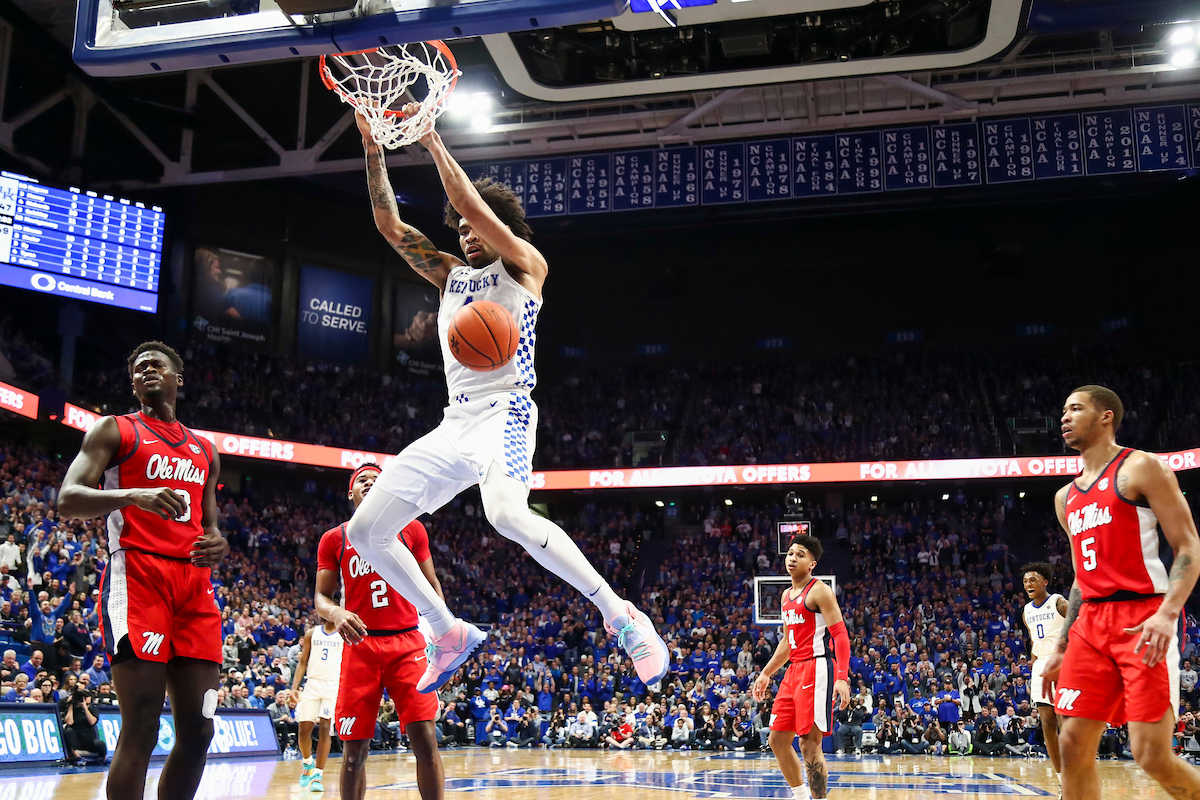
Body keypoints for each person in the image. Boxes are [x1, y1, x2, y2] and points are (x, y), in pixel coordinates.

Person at [347, 107, 668, 694]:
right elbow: (390, 226)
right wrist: (373, 148)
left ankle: (621, 615)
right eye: (460, 231)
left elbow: (470, 206)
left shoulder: (525, 266)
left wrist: (432, 140)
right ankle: (445, 630)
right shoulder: (449, 276)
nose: (466, 235)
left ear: (503, 227)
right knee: (365, 532)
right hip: (455, 420)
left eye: (474, 228)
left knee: (505, 515)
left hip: (507, 411)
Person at [58, 342, 228, 800]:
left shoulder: (205, 450)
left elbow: (209, 524)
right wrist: (133, 495)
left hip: (195, 585)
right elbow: (67, 498)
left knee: (200, 730)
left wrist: (219, 541)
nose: (147, 370)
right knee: (143, 725)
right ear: (133, 384)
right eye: (139, 368)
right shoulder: (114, 429)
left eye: (157, 365)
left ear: (178, 379)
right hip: (138, 577)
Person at [1042, 385, 1200, 800]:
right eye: (1063, 410)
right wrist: (1061, 647)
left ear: (1106, 416)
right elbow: (1080, 579)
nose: (1064, 417)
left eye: (1075, 408)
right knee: (1071, 743)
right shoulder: (1065, 498)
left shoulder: (1141, 467)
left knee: (1150, 754)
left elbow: (1188, 545)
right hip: (1090, 623)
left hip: (1143, 616)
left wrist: (1168, 613)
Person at [315, 464, 442, 800]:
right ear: (350, 492)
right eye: (362, 480)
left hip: (408, 642)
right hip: (361, 647)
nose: (370, 483)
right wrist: (336, 612)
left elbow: (432, 584)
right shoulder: (334, 538)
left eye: (377, 479)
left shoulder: (412, 529)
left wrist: (443, 634)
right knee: (353, 753)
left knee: (425, 740)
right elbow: (321, 597)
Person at [753, 535, 851, 800]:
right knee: (777, 740)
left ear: (812, 564)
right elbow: (787, 641)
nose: (793, 558)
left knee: (809, 743)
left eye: (800, 555)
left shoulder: (819, 590)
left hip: (817, 667)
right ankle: (800, 796)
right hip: (794, 670)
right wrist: (766, 673)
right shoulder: (786, 596)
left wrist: (842, 677)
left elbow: (840, 635)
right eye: (790, 553)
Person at [1020, 562, 1067, 791]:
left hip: (1063, 661)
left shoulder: (1059, 602)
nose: (1028, 584)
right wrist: (1033, 662)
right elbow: (1033, 641)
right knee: (1047, 723)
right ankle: (1062, 780)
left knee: (1065, 722)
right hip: (1040, 665)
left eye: (1033, 580)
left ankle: (1075, 774)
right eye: (1025, 581)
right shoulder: (1027, 611)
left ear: (1045, 582)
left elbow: (1079, 626)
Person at [292, 618, 344, 792]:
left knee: (325, 727)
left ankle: (318, 775)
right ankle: (308, 763)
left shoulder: (343, 635)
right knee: (303, 730)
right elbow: (303, 662)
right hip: (312, 683)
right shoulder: (311, 633)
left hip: (333, 685)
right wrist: (294, 688)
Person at [62, 688, 106, 762]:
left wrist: (85, 707)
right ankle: (76, 756)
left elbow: (92, 722)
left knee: (100, 744)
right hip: (76, 740)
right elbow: (69, 722)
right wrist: (71, 705)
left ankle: (103, 759)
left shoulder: (93, 710)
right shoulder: (73, 710)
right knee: (68, 731)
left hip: (89, 740)